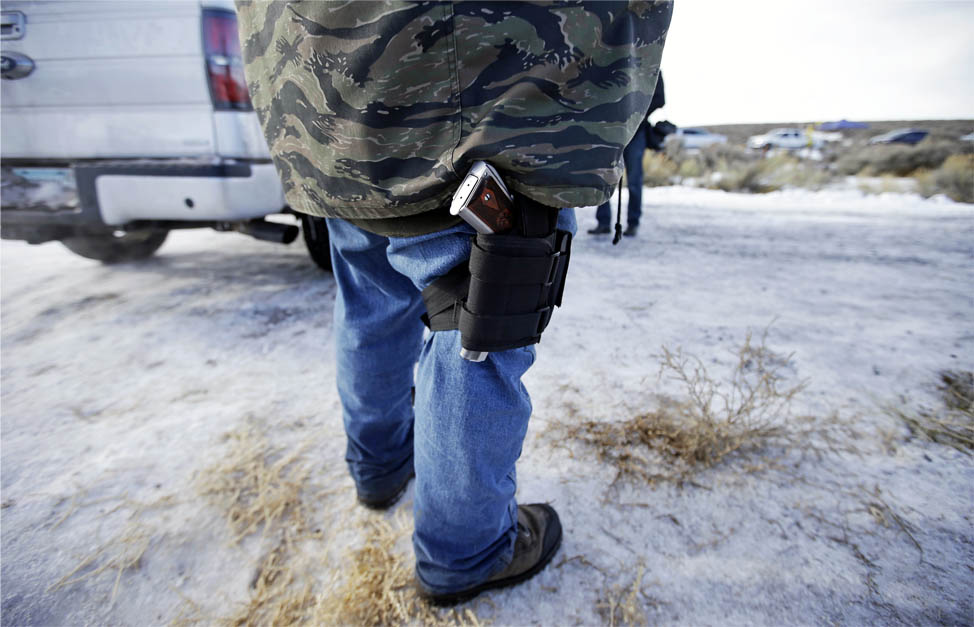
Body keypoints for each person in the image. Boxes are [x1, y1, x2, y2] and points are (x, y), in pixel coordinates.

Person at [235, 1, 671, 605]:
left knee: (370, 303)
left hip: (328, 102)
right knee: (479, 330)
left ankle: (378, 468)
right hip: (483, 101)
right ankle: (463, 553)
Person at [588, 72, 666, 238]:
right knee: (605, 175)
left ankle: (633, 223)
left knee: (634, 180)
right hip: (611, 129)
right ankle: (603, 222)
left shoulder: (652, 64)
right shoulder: (616, 58)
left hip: (636, 131)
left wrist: (634, 112)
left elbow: (660, 98)